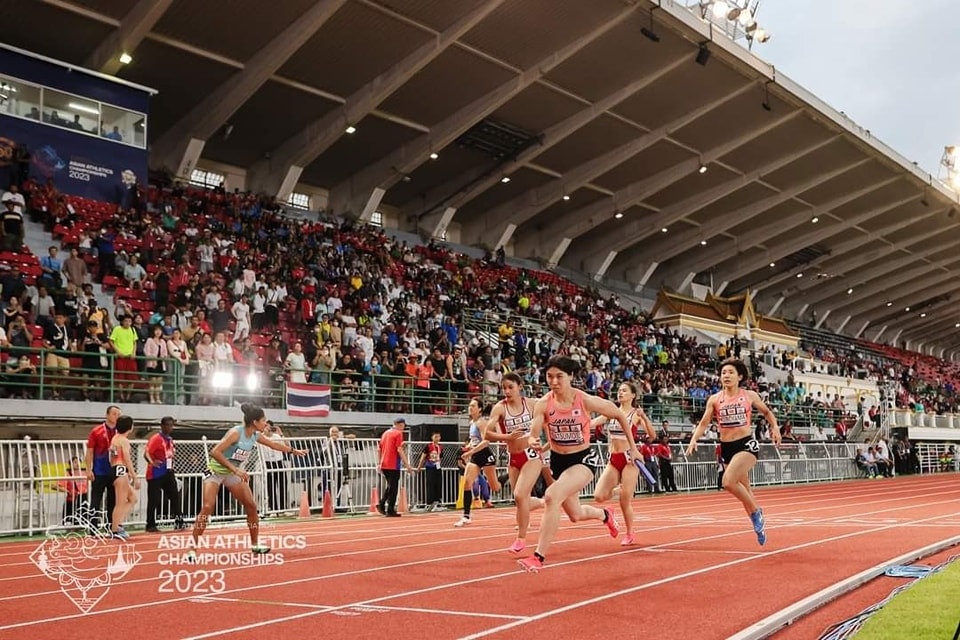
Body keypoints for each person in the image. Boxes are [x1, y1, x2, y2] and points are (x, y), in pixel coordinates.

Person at [517, 356, 641, 573]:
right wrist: (532, 439)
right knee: (575, 514)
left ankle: (538, 556)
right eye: (549, 377)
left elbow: (620, 415)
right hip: (558, 461)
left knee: (551, 496)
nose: (554, 382)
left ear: (571, 377)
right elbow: (535, 428)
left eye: (559, 377)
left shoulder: (585, 400)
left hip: (582, 460)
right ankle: (605, 515)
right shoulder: (544, 403)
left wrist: (634, 448)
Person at [189, 403, 306, 558]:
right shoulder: (236, 433)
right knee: (207, 507)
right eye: (264, 420)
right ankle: (193, 548)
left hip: (232, 473)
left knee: (251, 506)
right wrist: (236, 469)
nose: (266, 424)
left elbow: (273, 445)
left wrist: (294, 451)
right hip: (215, 471)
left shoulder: (256, 435)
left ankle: (255, 544)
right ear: (255, 422)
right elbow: (215, 452)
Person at [686, 358, 780, 546]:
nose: (726, 376)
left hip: (746, 445)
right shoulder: (715, 399)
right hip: (727, 447)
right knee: (745, 490)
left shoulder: (749, 395)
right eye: (723, 373)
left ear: (740, 376)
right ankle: (758, 526)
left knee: (728, 482)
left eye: (730, 372)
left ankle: (756, 512)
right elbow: (704, 422)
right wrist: (694, 438)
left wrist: (775, 428)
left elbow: (767, 412)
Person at [485, 372, 547, 551]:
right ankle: (546, 502)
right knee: (520, 499)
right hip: (513, 458)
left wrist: (548, 444)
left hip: (531, 455)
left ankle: (521, 538)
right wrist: (507, 436)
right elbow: (487, 434)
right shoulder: (500, 408)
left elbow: (549, 419)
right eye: (504, 388)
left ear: (520, 386)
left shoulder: (533, 404)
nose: (506, 391)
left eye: (510, 387)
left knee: (520, 495)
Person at [592, 381, 655, 546]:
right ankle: (614, 502)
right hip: (613, 458)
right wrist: (583, 425)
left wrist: (645, 417)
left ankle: (629, 532)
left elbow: (652, 435)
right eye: (619, 390)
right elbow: (595, 422)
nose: (620, 393)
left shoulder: (635, 414)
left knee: (625, 500)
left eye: (624, 391)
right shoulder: (612, 411)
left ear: (633, 395)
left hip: (629, 459)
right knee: (599, 496)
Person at [455, 398, 503, 527]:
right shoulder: (472, 422)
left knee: (495, 487)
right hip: (475, 456)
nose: (470, 408)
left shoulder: (481, 423)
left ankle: (506, 476)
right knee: (467, 483)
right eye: (470, 405)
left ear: (480, 409)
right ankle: (466, 516)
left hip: (485, 455)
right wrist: (468, 448)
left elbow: (486, 441)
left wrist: (470, 452)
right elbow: (475, 440)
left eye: (473, 406)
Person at [84, 405, 122, 530]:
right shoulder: (97, 431)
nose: (116, 417)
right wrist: (88, 470)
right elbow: (89, 451)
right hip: (99, 471)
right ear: (107, 415)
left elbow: (123, 453)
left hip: (114, 471)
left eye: (118, 415)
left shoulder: (120, 432)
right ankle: (93, 528)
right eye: (114, 414)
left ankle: (112, 527)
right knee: (96, 500)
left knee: (113, 500)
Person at [144, 416, 184, 532]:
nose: (170, 427)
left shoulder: (170, 440)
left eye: (171, 425)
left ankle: (179, 522)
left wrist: (172, 465)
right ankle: (150, 525)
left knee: (175, 497)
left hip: (168, 472)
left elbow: (171, 454)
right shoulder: (156, 438)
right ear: (162, 426)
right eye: (167, 425)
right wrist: (152, 462)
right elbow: (146, 453)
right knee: (154, 499)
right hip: (155, 474)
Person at [377, 417, 417, 517]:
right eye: (403, 426)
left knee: (391, 486)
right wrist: (407, 465)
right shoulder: (398, 433)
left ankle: (387, 507)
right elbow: (399, 450)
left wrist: (379, 462)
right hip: (393, 463)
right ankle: (384, 505)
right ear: (401, 425)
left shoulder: (385, 433)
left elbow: (379, 449)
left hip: (384, 463)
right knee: (393, 486)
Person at [109, 415, 139, 540]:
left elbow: (111, 457)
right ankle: (115, 529)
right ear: (130, 427)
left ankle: (117, 524)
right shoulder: (124, 441)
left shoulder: (115, 438)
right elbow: (127, 458)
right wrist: (134, 475)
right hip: (120, 470)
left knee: (132, 499)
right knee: (120, 503)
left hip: (115, 469)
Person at [416, 430, 445, 511]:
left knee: (438, 485)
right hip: (430, 467)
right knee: (430, 485)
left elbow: (441, 457)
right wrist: (419, 467)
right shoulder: (428, 446)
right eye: (435, 436)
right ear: (432, 437)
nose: (437, 438)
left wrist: (438, 464)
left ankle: (437, 502)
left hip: (438, 467)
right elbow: (423, 457)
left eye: (438, 436)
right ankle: (429, 503)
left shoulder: (441, 447)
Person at [57, 457, 87, 525]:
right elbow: (57, 486)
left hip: (83, 498)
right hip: (72, 499)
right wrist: (67, 491)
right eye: (75, 462)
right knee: (69, 521)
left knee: (83, 520)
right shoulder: (68, 474)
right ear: (71, 464)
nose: (77, 464)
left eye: (79, 462)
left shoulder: (84, 473)